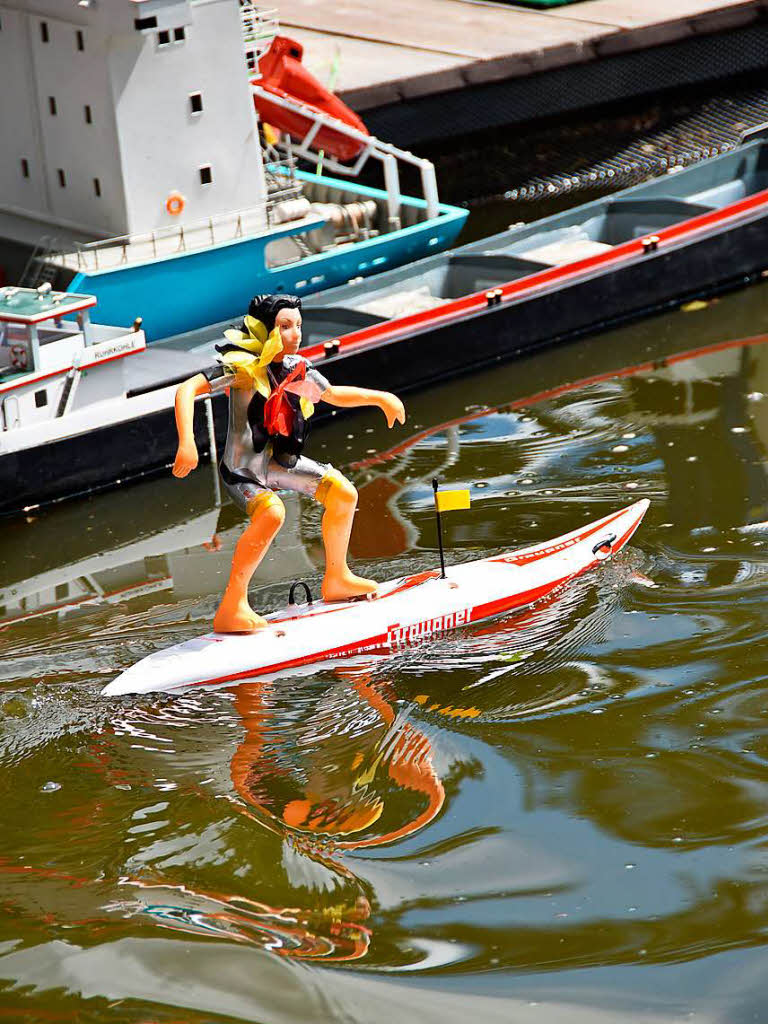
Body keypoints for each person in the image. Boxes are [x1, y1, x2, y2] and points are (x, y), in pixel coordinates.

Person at [172, 293, 405, 633]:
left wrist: (380, 398)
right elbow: (187, 390)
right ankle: (232, 606)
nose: (295, 334)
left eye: (298, 325)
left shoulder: (298, 369)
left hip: (280, 462)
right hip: (243, 471)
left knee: (343, 492)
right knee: (272, 514)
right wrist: (187, 442)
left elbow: (333, 394)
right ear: (264, 331)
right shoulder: (241, 368)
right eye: (284, 326)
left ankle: (337, 577)